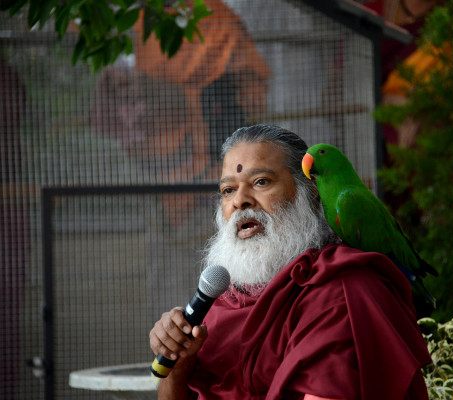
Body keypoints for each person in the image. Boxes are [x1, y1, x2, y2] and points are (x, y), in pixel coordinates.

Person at [148, 124, 432, 399]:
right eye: (228, 190)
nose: (240, 201)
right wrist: (179, 364)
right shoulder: (221, 303)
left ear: (309, 194)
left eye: (261, 182)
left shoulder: (341, 291)